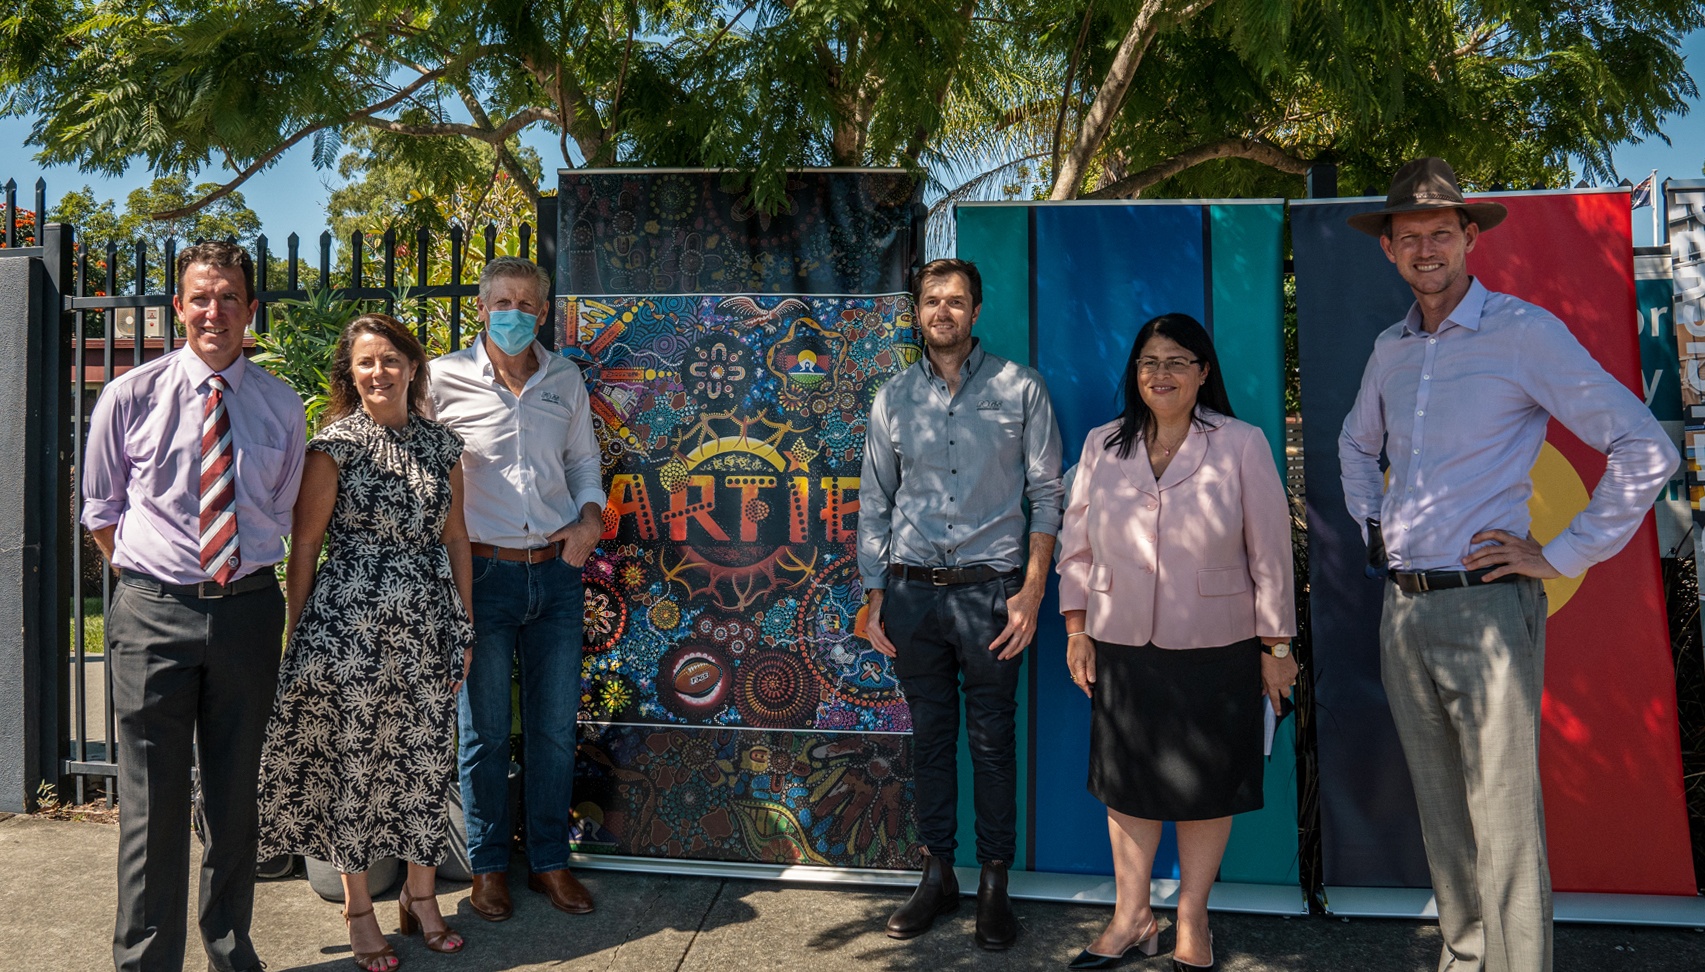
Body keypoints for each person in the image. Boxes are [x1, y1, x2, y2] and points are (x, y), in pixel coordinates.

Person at [1339, 157, 1679, 972]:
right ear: (1387, 249)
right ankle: (1464, 959)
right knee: (1443, 814)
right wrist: (1373, 530)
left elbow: (1645, 446)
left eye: (1440, 233)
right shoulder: (1388, 349)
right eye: (1408, 236)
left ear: (1468, 239)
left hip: (1487, 607)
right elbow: (1356, 444)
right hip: (1404, 608)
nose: (1425, 249)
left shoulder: (1522, 333)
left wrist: (1558, 554)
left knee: (1504, 818)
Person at [81, 241, 307, 972]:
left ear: (251, 308)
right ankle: (147, 962)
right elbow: (102, 513)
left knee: (238, 794)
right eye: (201, 297)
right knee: (152, 806)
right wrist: (158, 585)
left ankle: (231, 949)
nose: (215, 310)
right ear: (178, 306)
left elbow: (279, 513)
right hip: (153, 612)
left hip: (246, 613)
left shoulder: (279, 404)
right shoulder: (129, 396)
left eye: (230, 296)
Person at [1057, 313, 1296, 972]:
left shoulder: (1241, 443)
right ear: (1133, 374)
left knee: (1204, 786)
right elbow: (1074, 547)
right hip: (1120, 639)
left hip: (1217, 642)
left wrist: (1276, 648)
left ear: (1202, 372)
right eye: (1147, 363)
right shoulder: (1101, 444)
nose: (1159, 375)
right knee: (1126, 782)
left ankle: (1192, 918)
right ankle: (1131, 917)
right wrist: (1076, 627)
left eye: (1175, 362)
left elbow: (1270, 554)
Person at [256, 314, 474, 970]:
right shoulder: (336, 445)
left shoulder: (443, 446)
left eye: (389, 359)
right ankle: (358, 910)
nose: (378, 372)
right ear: (350, 375)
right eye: (365, 363)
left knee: (425, 764)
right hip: (347, 635)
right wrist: (298, 634)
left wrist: (463, 626)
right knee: (354, 771)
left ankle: (421, 897)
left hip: (428, 631)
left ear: (412, 364)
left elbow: (456, 539)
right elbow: (307, 546)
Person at [858, 257, 1064, 950]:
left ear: (977, 311)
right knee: (930, 742)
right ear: (916, 312)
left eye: (954, 301)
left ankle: (994, 883)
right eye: (929, 301)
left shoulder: (1021, 389)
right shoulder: (891, 398)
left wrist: (1032, 591)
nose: (941, 311)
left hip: (991, 595)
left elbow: (1047, 495)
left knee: (992, 743)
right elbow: (874, 503)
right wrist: (873, 595)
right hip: (913, 596)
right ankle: (937, 873)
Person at [429, 256, 606, 921]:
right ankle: (488, 867)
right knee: (483, 734)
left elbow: (582, 459)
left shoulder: (563, 377)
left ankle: (551, 865)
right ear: (479, 307)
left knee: (555, 729)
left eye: (524, 303)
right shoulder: (441, 381)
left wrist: (588, 518)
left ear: (542, 311)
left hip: (556, 573)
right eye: (499, 301)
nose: (511, 313)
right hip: (482, 574)